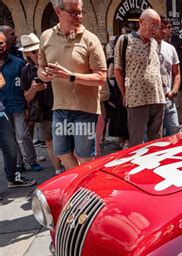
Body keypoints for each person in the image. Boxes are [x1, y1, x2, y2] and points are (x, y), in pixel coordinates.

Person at [38, 0, 107, 171]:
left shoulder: (91, 39)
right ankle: (81, 182)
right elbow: (40, 67)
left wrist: (70, 76)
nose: (79, 17)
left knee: (84, 157)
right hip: (60, 107)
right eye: (73, 12)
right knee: (60, 152)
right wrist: (43, 75)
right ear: (58, 12)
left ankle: (83, 188)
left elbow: (101, 77)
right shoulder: (46, 37)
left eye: (80, 12)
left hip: (85, 109)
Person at [114, 9, 166, 146]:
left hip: (157, 97)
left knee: (157, 141)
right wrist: (125, 94)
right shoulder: (125, 40)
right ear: (141, 22)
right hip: (137, 99)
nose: (155, 29)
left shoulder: (155, 43)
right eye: (153, 25)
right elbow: (117, 70)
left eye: (158, 26)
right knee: (136, 143)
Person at [19, 33, 63, 175]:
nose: (37, 53)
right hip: (43, 112)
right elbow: (27, 97)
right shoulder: (26, 71)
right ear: (27, 53)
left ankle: (69, 168)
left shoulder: (53, 62)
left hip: (61, 106)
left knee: (66, 140)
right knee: (49, 141)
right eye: (33, 51)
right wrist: (34, 89)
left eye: (39, 49)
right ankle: (58, 170)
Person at [0, 31, 42, 173]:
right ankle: (19, 163)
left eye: (2, 43)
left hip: (18, 104)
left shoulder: (18, 63)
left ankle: (32, 160)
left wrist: (27, 106)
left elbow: (25, 83)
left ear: (6, 44)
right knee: (11, 139)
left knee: (24, 135)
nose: (0, 46)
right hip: (2, 108)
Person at [154, 16, 181, 135]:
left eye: (166, 28)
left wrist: (174, 91)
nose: (164, 31)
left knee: (175, 134)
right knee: (153, 138)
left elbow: (177, 73)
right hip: (152, 101)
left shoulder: (170, 49)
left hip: (168, 99)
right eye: (161, 28)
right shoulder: (146, 46)